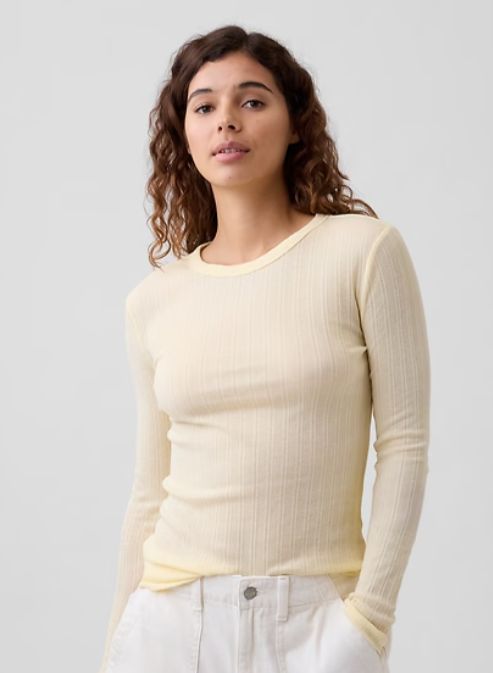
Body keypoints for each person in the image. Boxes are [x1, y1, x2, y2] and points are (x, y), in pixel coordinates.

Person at [98, 24, 430, 673]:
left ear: (296, 123)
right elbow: (148, 492)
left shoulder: (363, 253)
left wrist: (369, 619)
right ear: (184, 136)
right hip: (168, 624)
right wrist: (116, 644)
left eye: (251, 100)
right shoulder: (154, 301)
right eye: (204, 107)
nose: (227, 120)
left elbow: (405, 444)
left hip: (314, 625)